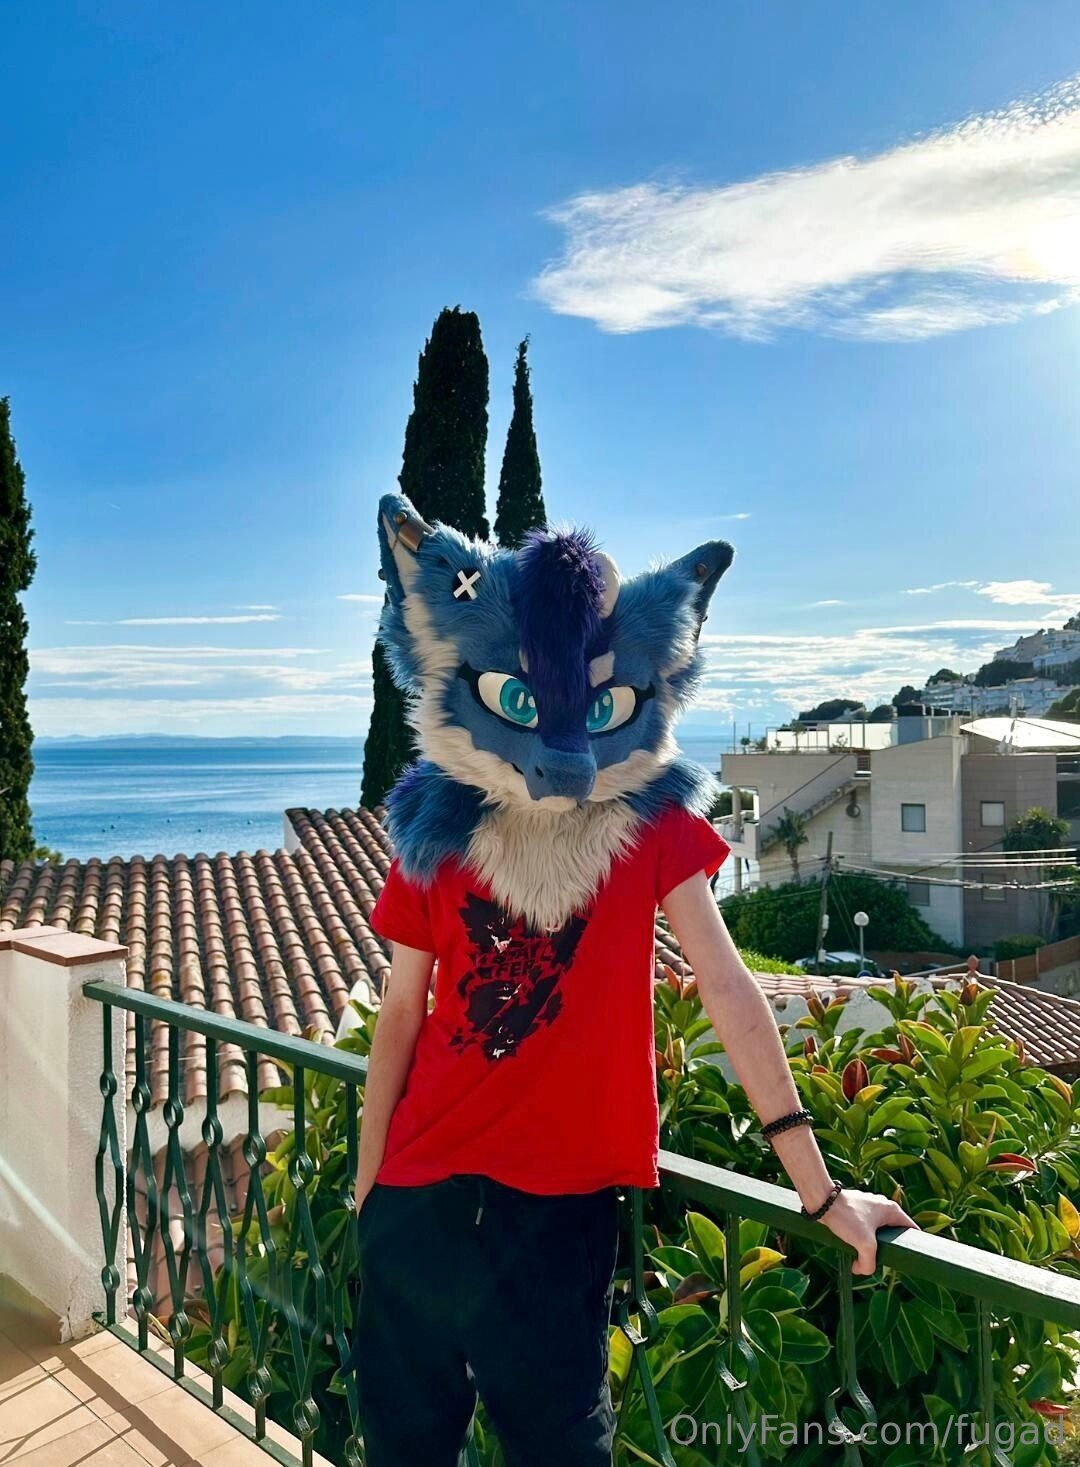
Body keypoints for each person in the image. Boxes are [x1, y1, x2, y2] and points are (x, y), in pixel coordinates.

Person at [344, 492, 914, 1467]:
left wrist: (821, 1194)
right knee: (403, 1449)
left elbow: (728, 988)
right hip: (420, 1196)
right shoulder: (439, 829)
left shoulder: (650, 824)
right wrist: (369, 1191)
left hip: (557, 1210)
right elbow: (402, 1015)